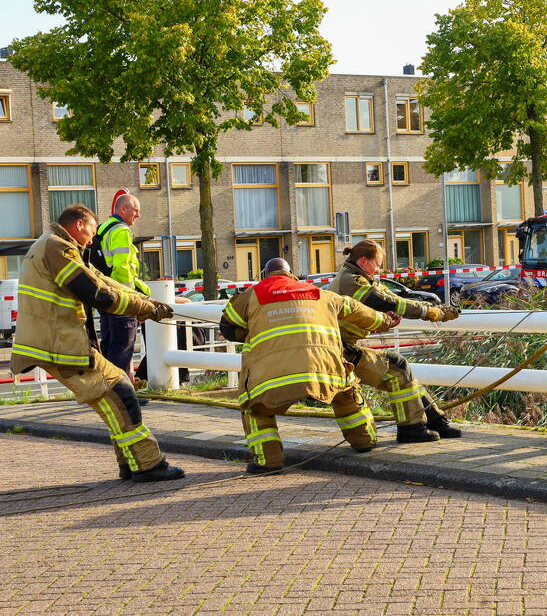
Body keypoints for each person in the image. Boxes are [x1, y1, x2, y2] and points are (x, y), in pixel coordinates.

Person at [11, 204, 183, 482]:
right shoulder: (58, 248)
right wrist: (144, 308)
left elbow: (100, 279)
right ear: (78, 225)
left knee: (114, 398)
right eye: (91, 232)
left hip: (55, 341)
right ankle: (148, 465)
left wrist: (146, 301)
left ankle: (131, 462)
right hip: (59, 343)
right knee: (121, 395)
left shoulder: (53, 245)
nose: (92, 240)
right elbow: (96, 293)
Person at [218, 258, 401, 473]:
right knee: (346, 393)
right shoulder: (318, 292)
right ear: (291, 274)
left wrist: (250, 330)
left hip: (271, 378)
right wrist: (385, 321)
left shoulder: (251, 295)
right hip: (325, 370)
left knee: (255, 406)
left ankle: (268, 462)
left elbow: (227, 327)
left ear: (265, 275)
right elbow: (356, 310)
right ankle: (364, 441)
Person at [327, 240, 462, 443]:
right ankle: (412, 428)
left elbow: (394, 298)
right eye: (377, 264)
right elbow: (385, 302)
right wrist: (432, 314)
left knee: (403, 374)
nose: (379, 269)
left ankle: (435, 421)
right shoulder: (351, 281)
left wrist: (432, 308)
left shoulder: (360, 278)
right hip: (340, 352)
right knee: (398, 369)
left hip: (344, 349)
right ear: (363, 261)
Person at [93, 193, 149, 396]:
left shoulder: (103, 228)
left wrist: (145, 291)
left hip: (106, 299)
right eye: (136, 210)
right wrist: (133, 299)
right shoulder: (122, 230)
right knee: (122, 350)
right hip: (121, 301)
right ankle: (123, 396)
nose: (138, 215)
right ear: (123, 209)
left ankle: (108, 393)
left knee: (109, 348)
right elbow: (122, 269)